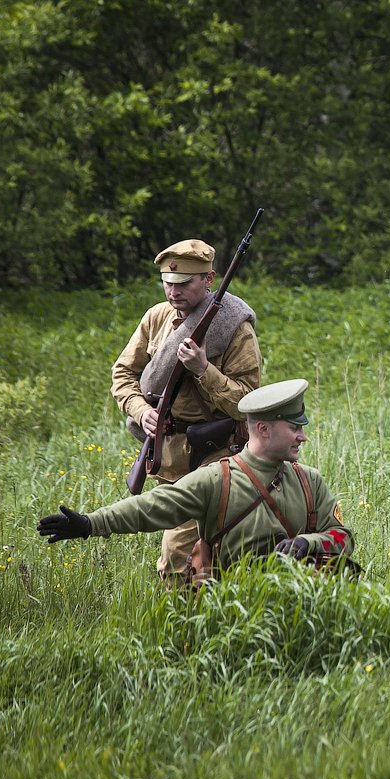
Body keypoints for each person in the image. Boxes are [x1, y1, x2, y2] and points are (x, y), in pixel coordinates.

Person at [38, 379, 353, 577]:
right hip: (236, 608)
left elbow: (343, 537)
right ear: (263, 429)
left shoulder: (310, 482)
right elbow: (153, 506)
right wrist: (91, 523)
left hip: (304, 607)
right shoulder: (217, 480)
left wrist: (305, 542)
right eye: (295, 428)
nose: (303, 437)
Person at [111, 239, 262, 584]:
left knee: (177, 554)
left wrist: (202, 369)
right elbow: (123, 374)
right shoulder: (156, 318)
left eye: (183, 283)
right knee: (211, 553)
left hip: (216, 453)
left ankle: (178, 626)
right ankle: (203, 620)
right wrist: (140, 410)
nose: (173, 291)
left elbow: (248, 400)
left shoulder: (235, 326)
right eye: (167, 282)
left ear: (209, 279)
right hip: (168, 454)